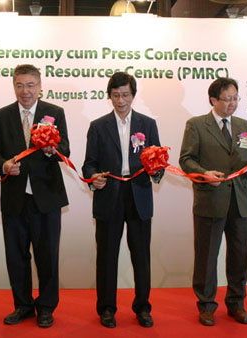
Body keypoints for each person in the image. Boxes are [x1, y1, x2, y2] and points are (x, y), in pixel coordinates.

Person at [0, 64, 69, 328]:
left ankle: (46, 307)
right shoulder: (1, 116)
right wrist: (5, 165)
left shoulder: (54, 113)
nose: (25, 91)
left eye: (30, 85)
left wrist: (50, 149)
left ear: (40, 87)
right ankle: (22, 305)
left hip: (45, 198)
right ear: (14, 86)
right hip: (14, 198)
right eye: (20, 85)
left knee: (47, 256)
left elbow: (65, 149)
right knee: (16, 256)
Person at [179, 77, 247, 326]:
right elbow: (186, 160)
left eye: (235, 98)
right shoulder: (196, 125)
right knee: (206, 257)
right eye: (227, 99)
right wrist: (204, 173)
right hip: (210, 201)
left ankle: (236, 303)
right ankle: (206, 305)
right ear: (213, 100)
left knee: (239, 256)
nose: (232, 103)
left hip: (239, 201)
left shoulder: (244, 125)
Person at [82, 72, 163, 329]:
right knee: (107, 256)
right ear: (109, 96)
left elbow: (158, 159)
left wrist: (156, 171)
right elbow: (89, 164)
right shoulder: (98, 126)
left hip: (138, 194)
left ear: (133, 95)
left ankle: (142, 307)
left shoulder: (148, 124)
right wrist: (93, 177)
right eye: (115, 95)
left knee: (141, 256)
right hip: (109, 195)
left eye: (125, 95)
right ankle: (106, 308)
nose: (120, 100)